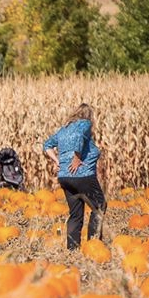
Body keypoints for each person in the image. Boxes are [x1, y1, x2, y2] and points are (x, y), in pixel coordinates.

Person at [43, 103, 105, 250]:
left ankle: (72, 250)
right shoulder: (84, 124)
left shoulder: (63, 130)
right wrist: (76, 158)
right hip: (82, 176)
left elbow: (47, 145)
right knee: (99, 207)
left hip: (65, 177)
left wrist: (57, 161)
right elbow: (78, 137)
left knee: (76, 214)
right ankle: (93, 246)